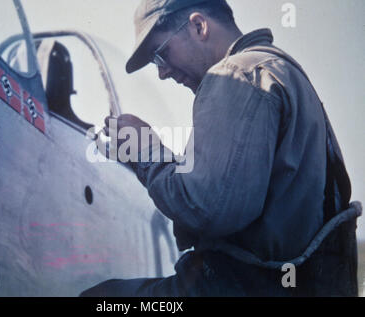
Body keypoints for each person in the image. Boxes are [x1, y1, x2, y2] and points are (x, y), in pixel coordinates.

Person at [80, 0, 362, 296]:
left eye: (160, 54)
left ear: (199, 26)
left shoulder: (236, 74)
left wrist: (145, 151)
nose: (162, 73)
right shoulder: (277, 70)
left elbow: (208, 210)